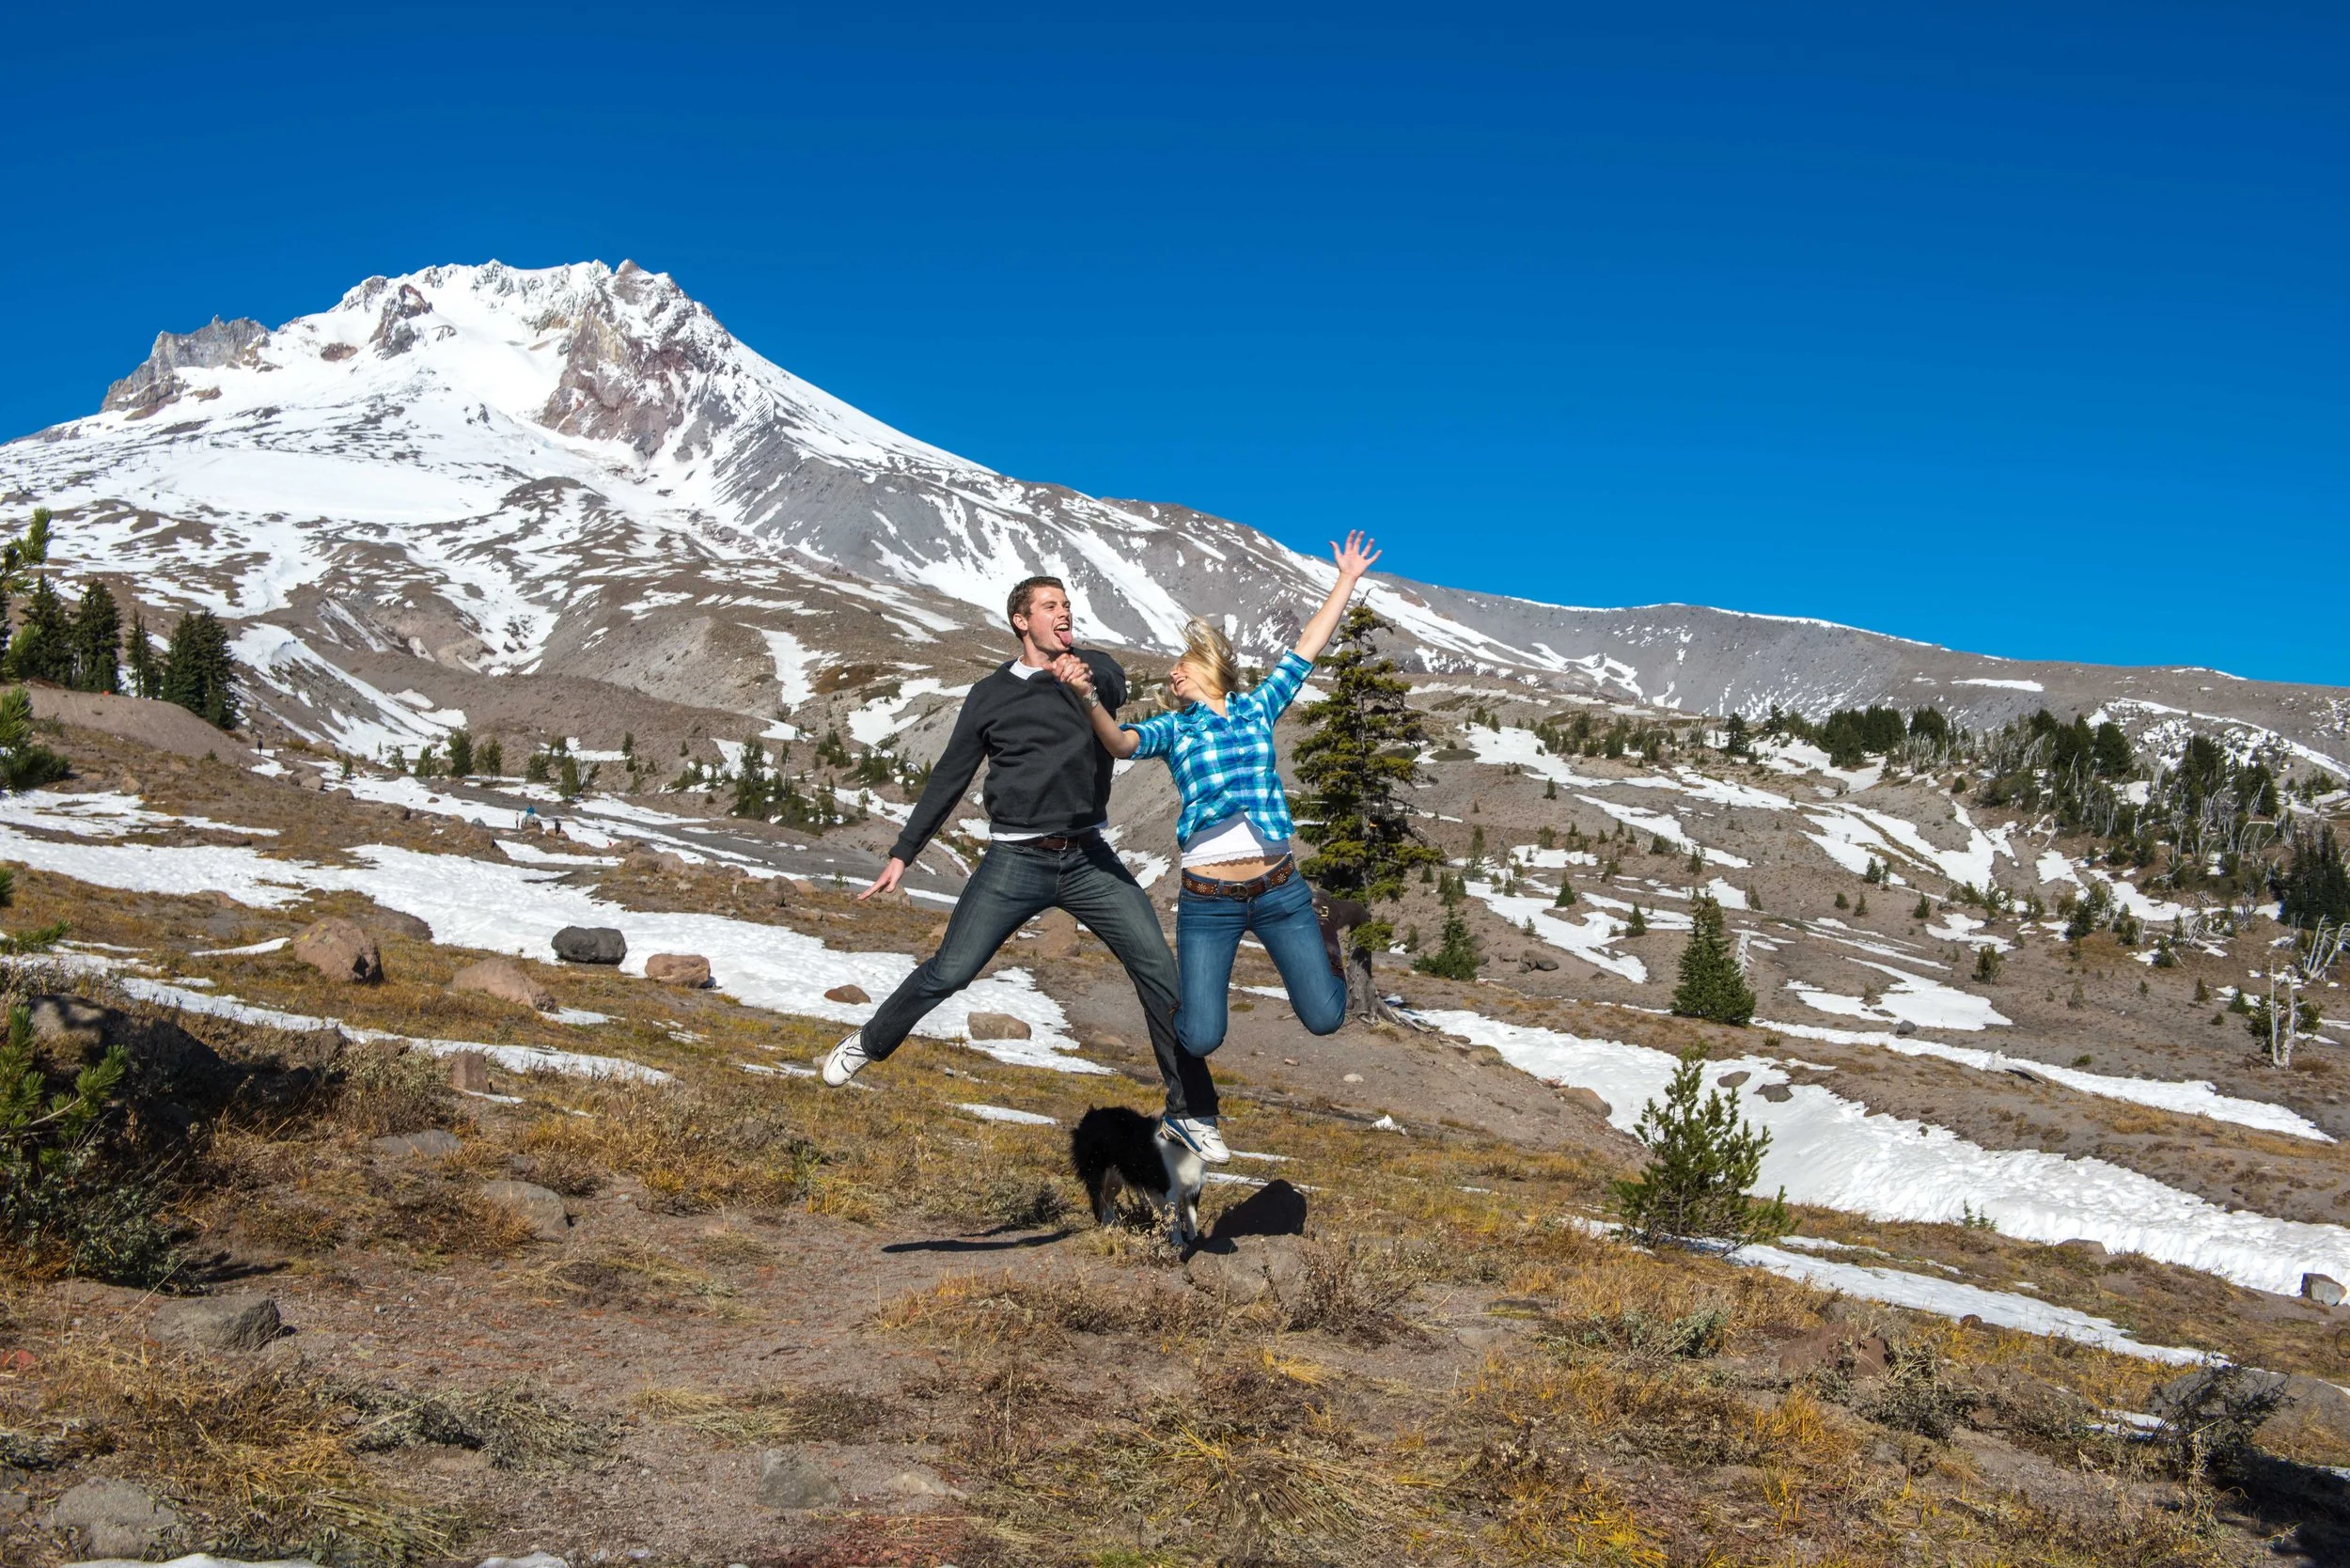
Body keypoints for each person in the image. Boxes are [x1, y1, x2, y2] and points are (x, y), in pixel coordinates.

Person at [820, 576, 1230, 1163]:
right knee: (950, 971)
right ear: (1021, 621)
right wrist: (903, 853)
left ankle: (1192, 1112)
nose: (1063, 613)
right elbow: (951, 775)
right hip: (1016, 859)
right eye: (1049, 606)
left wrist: (1083, 680)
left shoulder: (1097, 670)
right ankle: (869, 1042)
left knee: (1161, 974)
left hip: (1089, 858)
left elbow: (1112, 689)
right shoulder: (990, 695)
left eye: (1067, 605)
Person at [1058, 531, 1381, 1062]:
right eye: (1172, 670)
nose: (1173, 673)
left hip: (1280, 890)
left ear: (1210, 666)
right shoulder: (1174, 728)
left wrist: (1346, 579)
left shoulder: (1258, 707)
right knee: (1202, 1036)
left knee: (1326, 1018)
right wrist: (1088, 697)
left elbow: (1307, 646)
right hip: (1208, 901)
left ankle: (1324, 922)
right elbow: (1119, 744)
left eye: (1183, 664)